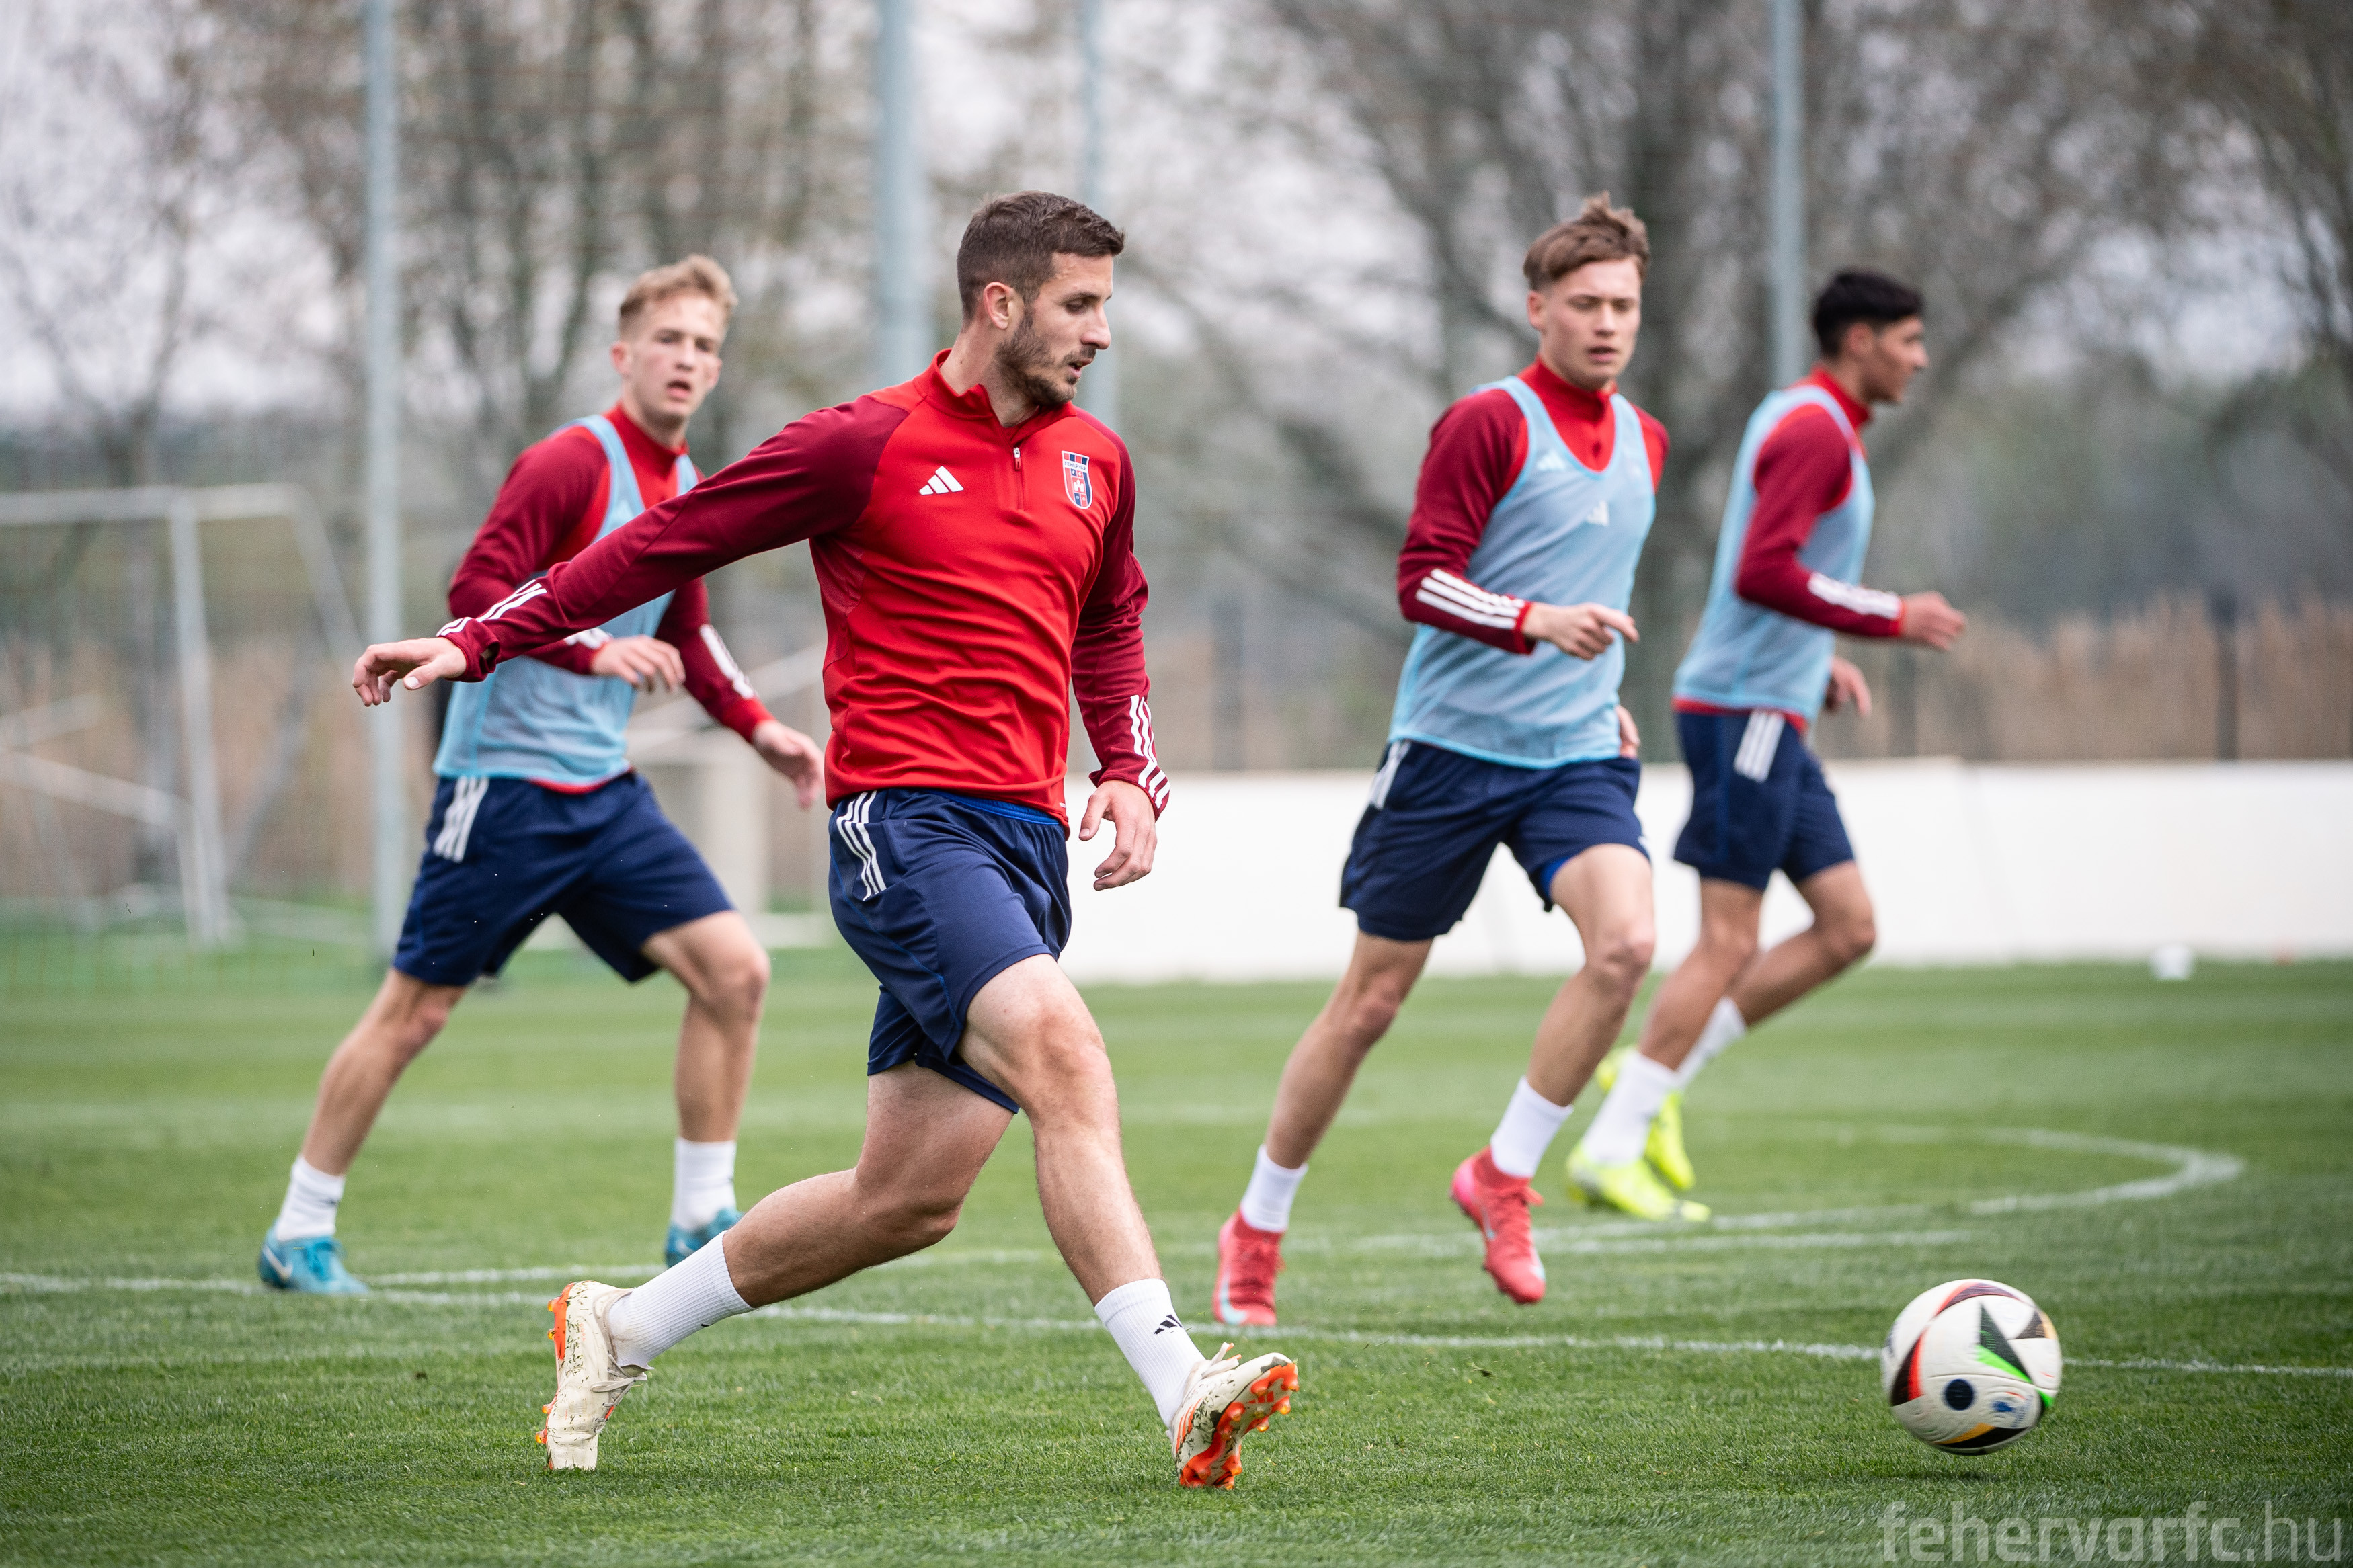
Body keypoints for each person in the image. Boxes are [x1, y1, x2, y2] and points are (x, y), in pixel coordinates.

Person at [349, 194, 1299, 1490]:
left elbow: (1109, 624)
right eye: (1080, 305)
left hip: (1025, 843)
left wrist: (1129, 770)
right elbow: (654, 548)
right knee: (1068, 1057)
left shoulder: (1098, 462)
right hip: (903, 828)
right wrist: (475, 640)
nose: (1101, 333)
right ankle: (1184, 1383)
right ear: (1000, 304)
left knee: (906, 1197)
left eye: (1105, 307)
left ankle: (621, 1327)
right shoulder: (862, 443)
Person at [260, 257, 824, 1296]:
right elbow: (476, 588)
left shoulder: (688, 487)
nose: (686, 359)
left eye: (704, 345)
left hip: (603, 796)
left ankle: (700, 1215)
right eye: (668, 340)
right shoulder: (569, 462)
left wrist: (762, 731)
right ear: (624, 355)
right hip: (504, 792)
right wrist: (594, 650)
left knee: (735, 971)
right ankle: (299, 1231)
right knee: (415, 1012)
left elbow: (688, 633)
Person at [1209, 195, 1669, 1327]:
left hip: (1574, 756)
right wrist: (1531, 621)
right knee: (1370, 1002)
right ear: (1538, 308)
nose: (1608, 323)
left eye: (1624, 305)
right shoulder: (1489, 422)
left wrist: (1602, 694)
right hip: (1449, 757)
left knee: (1626, 946)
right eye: (1587, 303)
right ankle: (1256, 1226)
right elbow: (1422, 580)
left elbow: (1598, 593)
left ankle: (1504, 1175)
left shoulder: (1648, 441)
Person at [1565, 267, 1968, 1216]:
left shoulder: (1816, 423)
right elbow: (1762, 570)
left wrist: (1814, 660)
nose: (1920, 359)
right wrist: (1888, 615)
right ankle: (1614, 1143)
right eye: (1909, 340)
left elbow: (1777, 573)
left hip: (1771, 705)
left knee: (1848, 926)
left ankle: (1656, 1068)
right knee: (1729, 939)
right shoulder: (1814, 428)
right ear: (1860, 340)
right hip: (1741, 713)